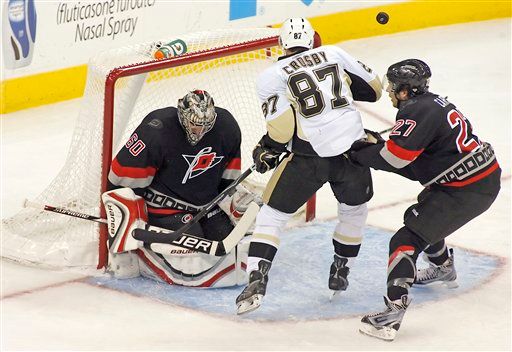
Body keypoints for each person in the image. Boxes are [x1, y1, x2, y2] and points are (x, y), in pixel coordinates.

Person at [235, 17, 383, 314]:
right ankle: (342, 269)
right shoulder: (335, 53)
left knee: (272, 214)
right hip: (354, 151)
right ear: (314, 38)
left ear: (281, 44)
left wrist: (268, 149)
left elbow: (282, 126)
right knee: (354, 210)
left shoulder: (270, 76)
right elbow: (376, 90)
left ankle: (256, 279)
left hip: (309, 158)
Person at [349, 59, 501, 341]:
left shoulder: (415, 111)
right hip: (475, 178)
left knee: (404, 242)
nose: (391, 92)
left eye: (394, 87)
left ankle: (392, 313)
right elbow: (418, 166)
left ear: (405, 90)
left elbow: (396, 159)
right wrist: (375, 148)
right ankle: (443, 267)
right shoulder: (432, 103)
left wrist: (359, 153)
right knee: (420, 215)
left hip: (466, 189)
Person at [104, 89, 257, 287]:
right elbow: (119, 181)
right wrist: (125, 220)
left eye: (205, 125)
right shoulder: (156, 130)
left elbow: (228, 179)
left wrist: (229, 201)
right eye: (194, 124)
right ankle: (141, 259)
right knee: (197, 252)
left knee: (234, 246)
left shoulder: (227, 127)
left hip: (206, 206)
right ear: (182, 116)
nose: (199, 131)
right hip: (165, 208)